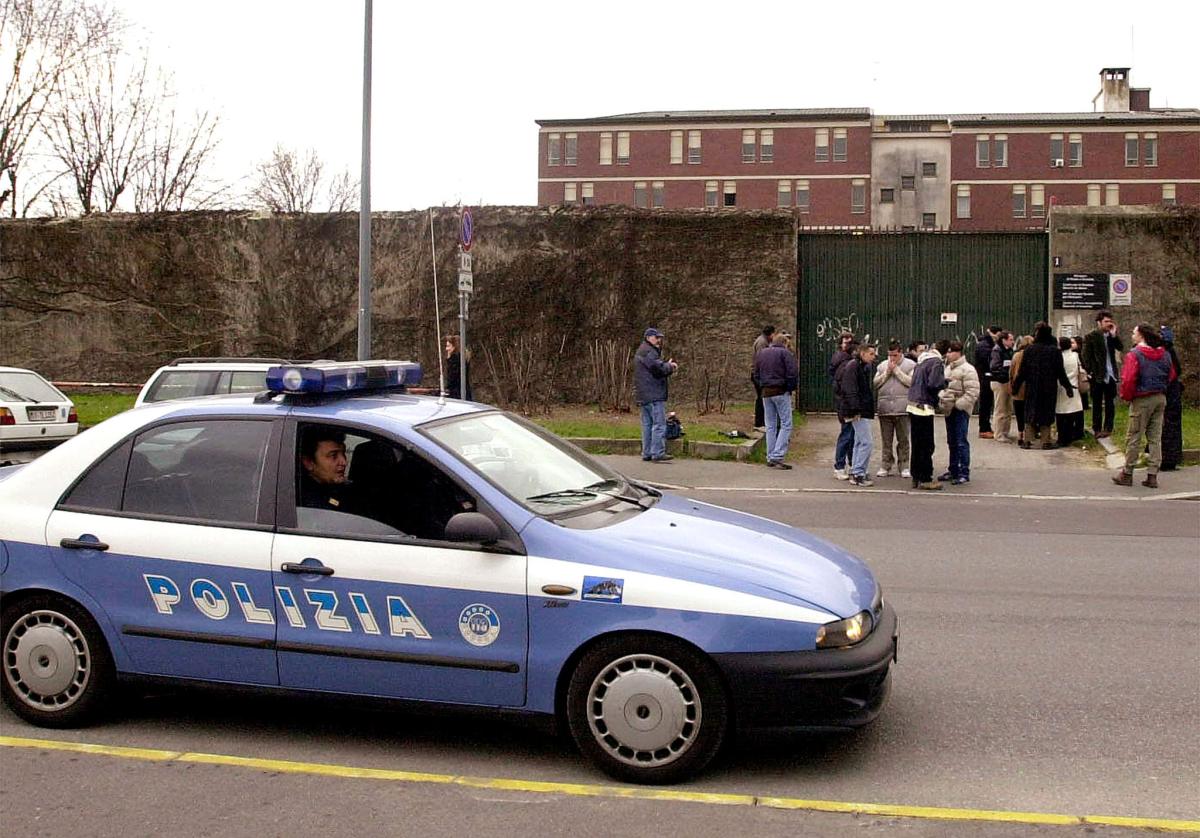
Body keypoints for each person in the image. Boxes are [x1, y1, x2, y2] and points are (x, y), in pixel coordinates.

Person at [1113, 324, 1177, 488]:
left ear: (1141, 335)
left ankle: (1127, 472)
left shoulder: (1135, 354)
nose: (1132, 335)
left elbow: (1128, 379)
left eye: (1134, 332)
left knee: (1134, 436)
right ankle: (1152, 474)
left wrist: (1126, 396)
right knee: (1155, 437)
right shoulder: (1164, 353)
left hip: (1142, 399)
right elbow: (1171, 375)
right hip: (1160, 397)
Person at [1012, 323, 1073, 450]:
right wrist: (1068, 388)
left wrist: (1015, 387)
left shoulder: (1030, 350)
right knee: (1047, 412)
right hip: (1049, 387)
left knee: (1031, 412)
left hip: (1032, 386)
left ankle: (1028, 440)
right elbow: (1060, 372)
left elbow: (1022, 371)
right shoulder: (1054, 351)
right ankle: (1046, 441)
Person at [907, 340, 948, 490]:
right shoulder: (936, 362)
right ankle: (926, 478)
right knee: (927, 445)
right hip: (925, 406)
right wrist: (945, 383)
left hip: (913, 404)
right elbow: (934, 384)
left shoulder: (921, 361)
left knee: (917, 444)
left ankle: (915, 476)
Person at [754, 332, 799, 469]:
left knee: (770, 425)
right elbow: (792, 373)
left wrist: (762, 385)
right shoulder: (785, 354)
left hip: (766, 392)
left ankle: (770, 455)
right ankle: (777, 455)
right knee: (786, 424)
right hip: (781, 391)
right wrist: (789, 388)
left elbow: (756, 373)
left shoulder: (762, 353)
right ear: (784, 343)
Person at [938, 341, 980, 485]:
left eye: (951, 352)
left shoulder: (968, 369)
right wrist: (943, 397)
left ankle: (964, 472)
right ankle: (953, 469)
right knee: (952, 441)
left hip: (960, 410)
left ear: (958, 353)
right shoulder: (948, 368)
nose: (948, 355)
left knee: (961, 441)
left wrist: (959, 405)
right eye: (947, 352)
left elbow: (973, 392)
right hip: (948, 409)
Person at [634, 327, 678, 463]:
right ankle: (657, 453)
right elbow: (657, 369)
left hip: (644, 395)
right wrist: (670, 367)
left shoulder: (642, 351)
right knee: (659, 424)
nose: (659, 340)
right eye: (656, 337)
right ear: (648, 338)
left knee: (647, 425)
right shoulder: (649, 352)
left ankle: (647, 452)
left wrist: (664, 365)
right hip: (654, 394)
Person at [838, 342, 878, 486]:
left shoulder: (858, 366)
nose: (874, 357)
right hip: (856, 410)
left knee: (859, 441)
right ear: (863, 353)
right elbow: (851, 389)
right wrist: (855, 409)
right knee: (866, 442)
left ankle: (855, 470)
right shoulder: (854, 367)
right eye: (871, 354)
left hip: (857, 409)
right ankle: (859, 473)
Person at [873, 340, 915, 478]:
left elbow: (911, 383)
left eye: (895, 355)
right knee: (886, 440)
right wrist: (886, 373)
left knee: (903, 439)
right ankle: (886, 464)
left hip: (903, 408)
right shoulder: (882, 366)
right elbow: (876, 383)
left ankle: (904, 465)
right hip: (885, 408)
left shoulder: (910, 365)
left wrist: (896, 371)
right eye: (890, 355)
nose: (892, 358)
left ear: (901, 353)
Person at [1082, 311, 1123, 439]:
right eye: (1106, 322)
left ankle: (1108, 427)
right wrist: (1090, 371)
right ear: (1099, 323)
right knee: (1097, 403)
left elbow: (1120, 347)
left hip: (1110, 374)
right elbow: (1086, 356)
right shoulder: (1091, 336)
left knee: (1110, 402)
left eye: (1110, 321)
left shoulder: (1111, 336)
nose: (1108, 324)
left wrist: (1114, 335)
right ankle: (1097, 428)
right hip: (1098, 374)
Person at [299, 427, 361, 513]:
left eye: (343, 453)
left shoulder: (339, 488)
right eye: (333, 456)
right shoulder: (307, 504)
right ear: (309, 462)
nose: (344, 462)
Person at [829, 332, 857, 480]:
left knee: (851, 434)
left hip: (843, 402)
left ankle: (851, 464)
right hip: (845, 403)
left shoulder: (841, 359)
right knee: (847, 435)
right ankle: (840, 466)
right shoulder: (845, 362)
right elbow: (842, 385)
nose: (848, 345)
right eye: (846, 342)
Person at [1159, 326, 1184, 471]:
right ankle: (1173, 457)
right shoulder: (1171, 352)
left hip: (1168, 393)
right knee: (1173, 426)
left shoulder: (1164, 354)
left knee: (1166, 426)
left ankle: (1167, 458)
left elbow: (1171, 374)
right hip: (1174, 393)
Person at [1055, 337, 1085, 446]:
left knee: (1061, 414)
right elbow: (1081, 370)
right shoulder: (1076, 356)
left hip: (1061, 387)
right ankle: (1074, 434)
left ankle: (1062, 437)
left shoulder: (1058, 357)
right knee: (1073, 412)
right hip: (1075, 386)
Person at [989, 331, 1017, 442]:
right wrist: (1004, 375)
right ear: (1003, 340)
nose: (1013, 342)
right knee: (1000, 408)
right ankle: (999, 433)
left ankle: (1005, 431)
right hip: (999, 382)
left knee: (1008, 408)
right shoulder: (997, 350)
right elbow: (995, 367)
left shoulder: (1010, 351)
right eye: (1010, 339)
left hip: (1008, 382)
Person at [974, 326, 999, 439]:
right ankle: (984, 428)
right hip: (985, 378)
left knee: (987, 404)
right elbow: (987, 361)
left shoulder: (986, 344)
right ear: (994, 334)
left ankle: (986, 427)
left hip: (985, 377)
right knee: (985, 403)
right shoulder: (985, 345)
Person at [751, 325, 776, 429]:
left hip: (759, 373)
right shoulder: (762, 343)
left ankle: (761, 421)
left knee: (762, 397)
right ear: (770, 333)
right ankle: (759, 421)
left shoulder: (762, 341)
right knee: (761, 398)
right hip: (759, 374)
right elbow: (761, 359)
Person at [1009, 335, 1033, 442]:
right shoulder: (1033, 355)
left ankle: (1020, 433)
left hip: (1018, 388)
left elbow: (1011, 371)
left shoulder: (1016, 355)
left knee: (1019, 413)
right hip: (1030, 387)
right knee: (1028, 412)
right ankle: (1029, 433)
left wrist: (1012, 385)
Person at [445, 335, 472, 400]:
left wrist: (449, 360)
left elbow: (451, 379)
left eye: (448, 346)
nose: (446, 349)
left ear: (454, 347)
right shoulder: (463, 358)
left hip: (456, 395)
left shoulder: (455, 360)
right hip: (465, 392)